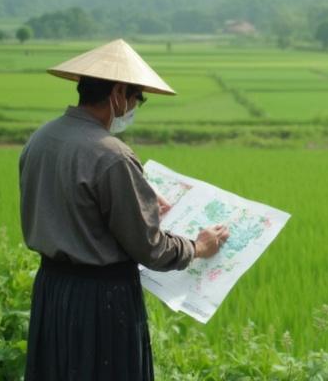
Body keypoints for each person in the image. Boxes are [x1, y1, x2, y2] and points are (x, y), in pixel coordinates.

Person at [18, 39, 228, 380]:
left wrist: (135, 197)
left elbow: (75, 206)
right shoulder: (112, 154)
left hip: (52, 289)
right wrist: (197, 247)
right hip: (102, 301)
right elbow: (150, 248)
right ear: (118, 93)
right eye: (136, 99)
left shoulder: (41, 138)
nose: (133, 108)